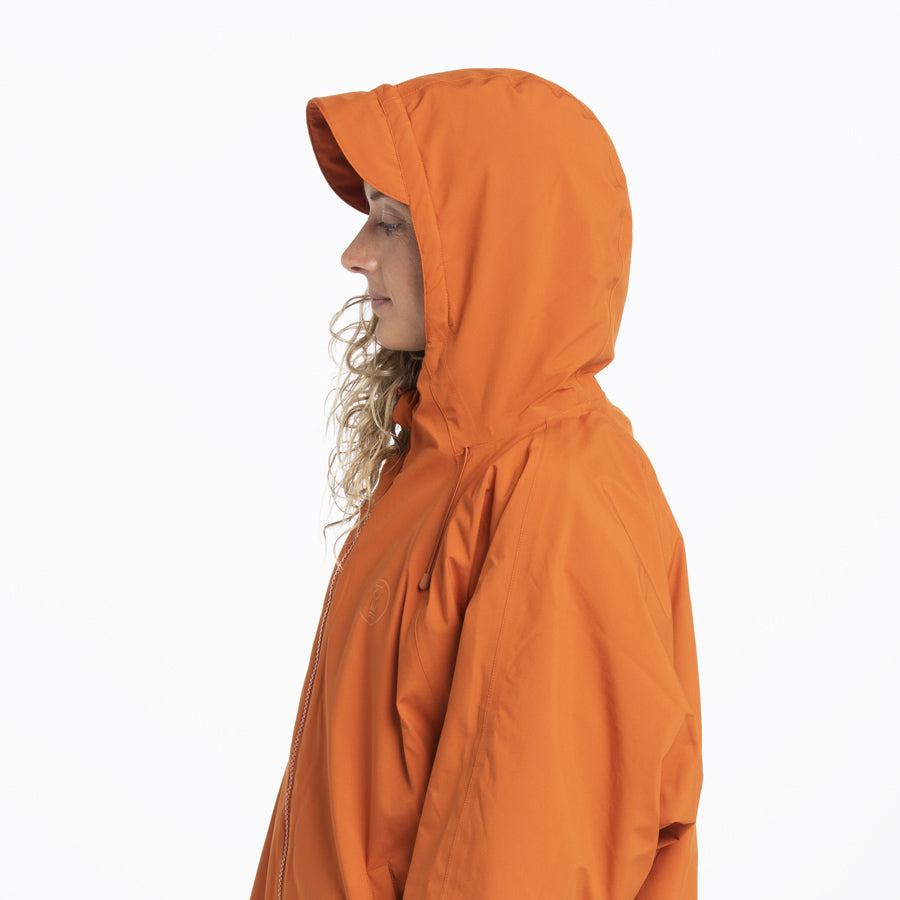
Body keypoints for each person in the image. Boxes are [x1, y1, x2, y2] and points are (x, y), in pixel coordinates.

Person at [250, 67, 702, 900]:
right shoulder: (441, 466)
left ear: (494, 244)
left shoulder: (561, 498)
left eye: (390, 222)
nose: (355, 254)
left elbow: (517, 867)